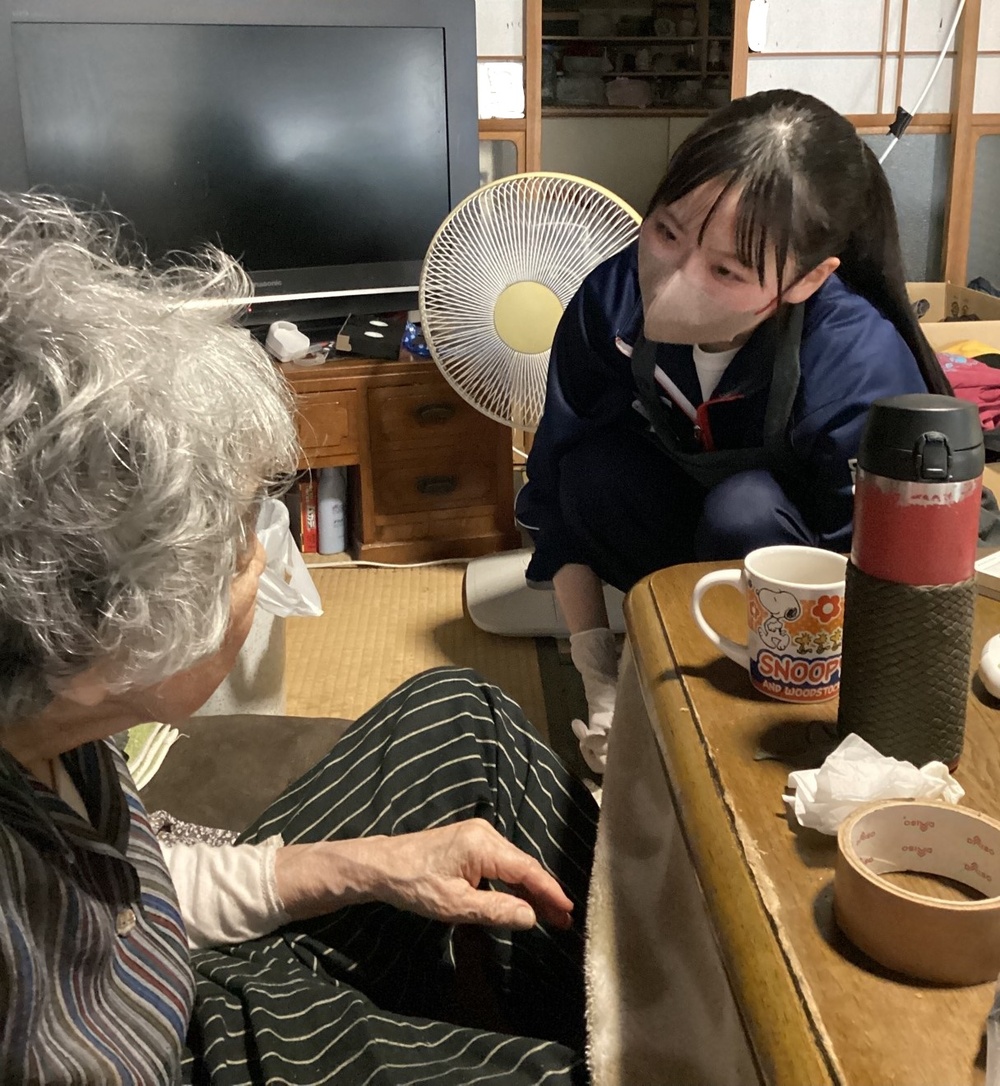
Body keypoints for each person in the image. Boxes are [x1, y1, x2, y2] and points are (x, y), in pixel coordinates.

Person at [0, 193, 598, 1085]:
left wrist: (369, 864)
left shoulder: (59, 717)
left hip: (182, 976)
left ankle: (618, 1000)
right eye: (245, 541)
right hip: (181, 1060)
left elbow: (137, 884)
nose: (264, 559)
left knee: (460, 712)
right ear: (112, 641)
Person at [516, 89, 950, 774]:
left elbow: (874, 583)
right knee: (589, 470)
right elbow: (556, 484)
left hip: (790, 579)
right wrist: (595, 672)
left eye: (726, 270)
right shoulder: (608, 300)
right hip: (668, 548)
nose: (673, 283)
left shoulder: (857, 362)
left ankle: (754, 708)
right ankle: (642, 659)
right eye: (666, 233)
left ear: (808, 280)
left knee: (742, 509)